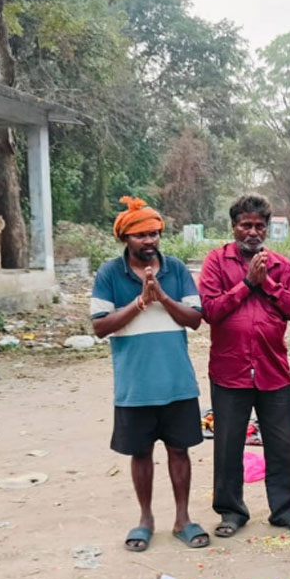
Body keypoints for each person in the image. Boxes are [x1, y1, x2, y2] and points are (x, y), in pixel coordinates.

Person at [91, 196, 209, 552]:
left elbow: (195, 319)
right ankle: (145, 519)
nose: (149, 241)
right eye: (141, 235)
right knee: (140, 453)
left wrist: (161, 297)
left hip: (177, 382)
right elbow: (100, 327)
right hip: (135, 385)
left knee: (179, 451)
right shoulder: (110, 274)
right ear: (125, 238)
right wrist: (139, 302)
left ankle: (183, 519)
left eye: (154, 233)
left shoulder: (175, 269)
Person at [198, 193, 290, 538]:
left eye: (259, 226)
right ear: (234, 227)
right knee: (228, 444)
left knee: (282, 445)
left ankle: (285, 511)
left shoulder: (281, 265)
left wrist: (268, 283)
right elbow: (211, 310)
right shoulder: (216, 262)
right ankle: (231, 512)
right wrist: (247, 283)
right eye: (245, 225)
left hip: (272, 369)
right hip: (229, 370)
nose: (252, 232)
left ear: (267, 229)